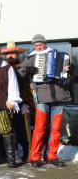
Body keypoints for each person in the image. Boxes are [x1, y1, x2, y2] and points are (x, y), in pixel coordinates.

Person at [19, 34, 72, 167]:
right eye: (35, 45)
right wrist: (27, 69)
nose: (38, 47)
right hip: (41, 96)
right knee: (40, 127)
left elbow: (71, 73)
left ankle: (52, 156)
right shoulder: (31, 57)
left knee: (56, 128)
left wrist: (70, 70)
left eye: (40, 44)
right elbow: (19, 73)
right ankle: (35, 157)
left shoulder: (58, 54)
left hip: (59, 96)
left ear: (45, 43)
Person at [1, 41, 34, 163]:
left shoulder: (24, 66)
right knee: (9, 129)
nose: (10, 56)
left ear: (17, 54)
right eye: (8, 53)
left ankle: (27, 153)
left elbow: (28, 85)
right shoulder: (3, 67)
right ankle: (11, 154)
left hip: (22, 102)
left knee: (23, 130)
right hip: (7, 103)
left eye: (13, 53)